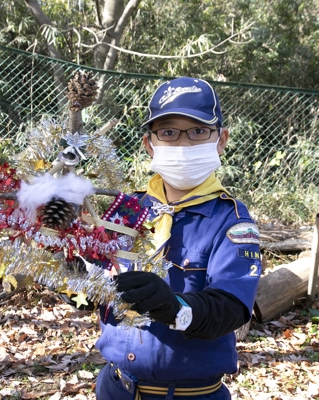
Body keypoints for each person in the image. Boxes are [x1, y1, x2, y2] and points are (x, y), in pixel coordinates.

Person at [95, 76, 263, 400]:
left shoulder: (232, 222)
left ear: (221, 140)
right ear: (149, 144)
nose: (183, 145)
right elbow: (93, 281)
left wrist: (175, 306)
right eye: (169, 133)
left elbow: (230, 307)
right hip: (114, 387)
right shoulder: (128, 210)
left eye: (199, 131)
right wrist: (65, 267)